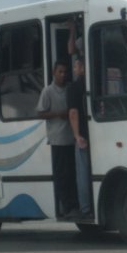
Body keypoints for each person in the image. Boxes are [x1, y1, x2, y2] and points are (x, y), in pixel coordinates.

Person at [37, 60, 78, 217]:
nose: (63, 75)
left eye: (65, 72)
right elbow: (40, 112)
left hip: (70, 138)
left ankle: (73, 204)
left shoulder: (69, 89)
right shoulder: (47, 91)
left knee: (71, 173)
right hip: (57, 139)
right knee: (62, 175)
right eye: (60, 72)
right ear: (54, 73)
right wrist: (58, 114)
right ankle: (65, 206)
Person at [67, 58, 93, 219]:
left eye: (76, 65)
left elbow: (73, 113)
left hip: (82, 135)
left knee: (83, 173)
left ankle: (85, 208)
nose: (74, 68)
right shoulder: (95, 82)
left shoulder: (74, 87)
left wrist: (77, 136)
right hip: (97, 133)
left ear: (82, 67)